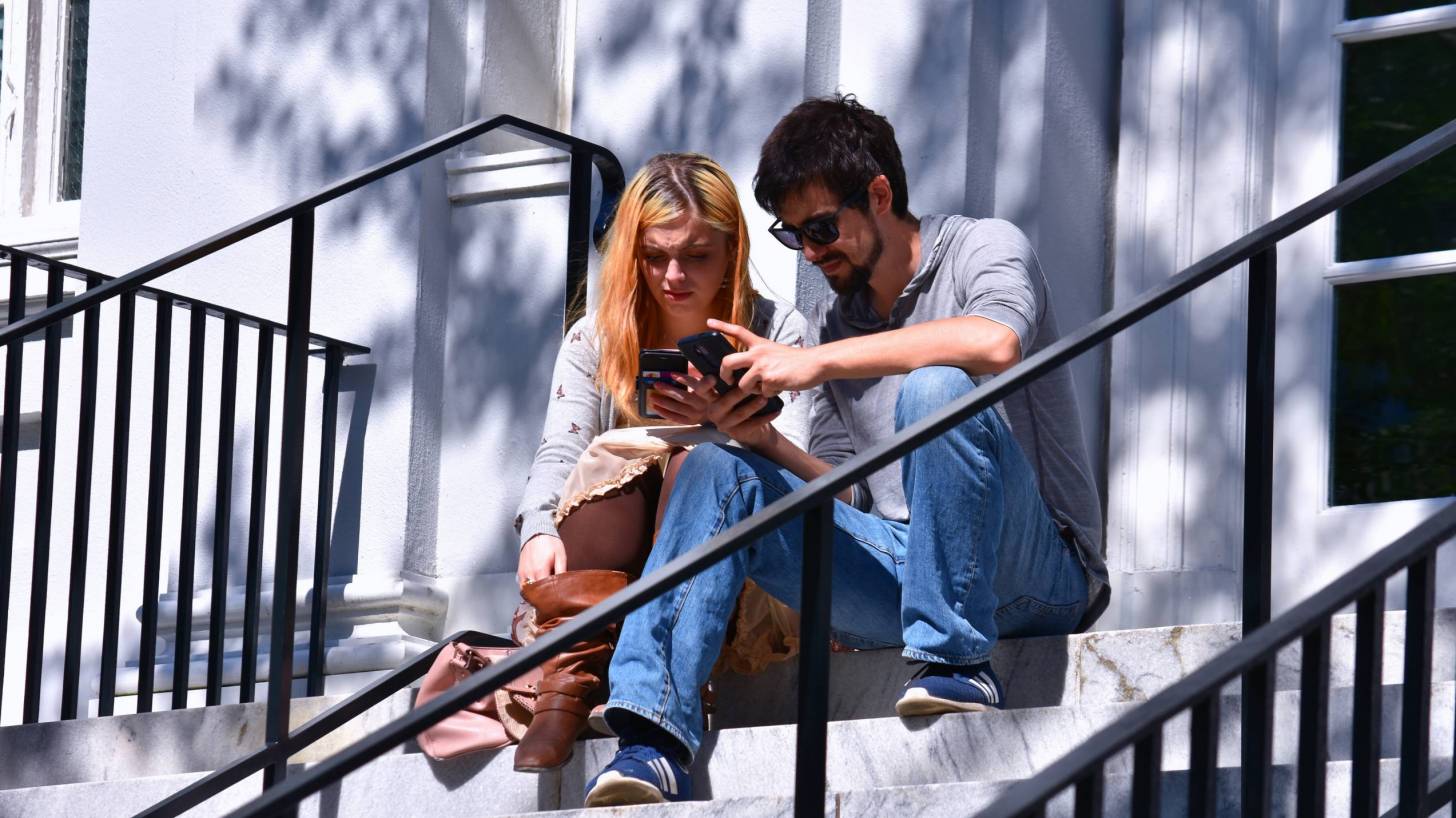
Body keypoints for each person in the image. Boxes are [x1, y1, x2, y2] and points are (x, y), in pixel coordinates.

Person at [583, 95, 1109, 807]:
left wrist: (816, 365)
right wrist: (758, 439)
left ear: (881, 195)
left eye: (824, 227)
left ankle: (958, 662)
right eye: (795, 235)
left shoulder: (985, 247)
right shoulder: (838, 324)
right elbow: (847, 492)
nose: (813, 251)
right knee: (718, 467)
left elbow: (996, 342)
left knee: (936, 391)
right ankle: (653, 737)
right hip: (900, 567)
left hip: (1037, 570)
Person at [510, 152, 811, 772]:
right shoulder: (597, 336)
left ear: (732, 250)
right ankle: (571, 679)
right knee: (611, 460)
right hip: (617, 554)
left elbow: (806, 476)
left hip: (736, 576)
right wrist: (536, 527)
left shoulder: (778, 330)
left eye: (696, 254)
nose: (673, 274)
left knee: (693, 467)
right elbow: (559, 451)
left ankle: (667, 674)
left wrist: (742, 431)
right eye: (654, 255)